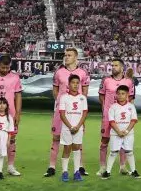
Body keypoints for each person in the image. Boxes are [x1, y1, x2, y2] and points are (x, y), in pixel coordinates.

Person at [47, 47, 91, 177]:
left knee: (78, 138)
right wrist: (61, 103)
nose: (66, 57)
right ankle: (51, 167)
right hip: (60, 111)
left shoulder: (83, 73)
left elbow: (85, 92)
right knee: (56, 137)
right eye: (65, 55)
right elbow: (55, 91)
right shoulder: (59, 72)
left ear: (76, 58)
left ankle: (80, 167)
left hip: (76, 112)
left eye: (69, 55)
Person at [99, 59, 134, 176]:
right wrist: (106, 110)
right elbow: (101, 97)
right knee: (104, 141)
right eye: (112, 65)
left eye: (116, 65)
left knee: (123, 140)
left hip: (123, 118)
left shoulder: (128, 81)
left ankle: (122, 166)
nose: (113, 67)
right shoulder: (106, 80)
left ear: (122, 68)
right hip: (107, 117)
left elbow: (131, 99)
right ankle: (103, 167)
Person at [103, 85, 139, 178]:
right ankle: (107, 172)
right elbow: (111, 121)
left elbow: (134, 120)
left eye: (123, 93)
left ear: (127, 94)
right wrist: (118, 131)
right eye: (118, 93)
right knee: (113, 152)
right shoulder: (113, 107)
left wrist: (126, 131)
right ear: (116, 95)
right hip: (115, 134)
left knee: (129, 152)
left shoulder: (131, 107)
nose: (120, 95)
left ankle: (134, 171)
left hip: (128, 134)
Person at [58, 75, 87, 182]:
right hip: (67, 128)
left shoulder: (82, 98)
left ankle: (76, 171)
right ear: (68, 84)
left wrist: (78, 126)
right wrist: (70, 126)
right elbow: (62, 113)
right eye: (73, 82)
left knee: (77, 148)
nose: (75, 85)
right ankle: (65, 172)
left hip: (78, 128)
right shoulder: (64, 97)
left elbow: (84, 113)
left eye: (77, 83)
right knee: (67, 148)